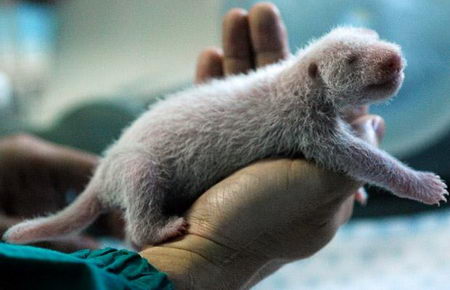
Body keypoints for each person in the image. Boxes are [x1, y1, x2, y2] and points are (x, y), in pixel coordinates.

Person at [0, 3, 384, 289]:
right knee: (136, 168)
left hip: (166, 167)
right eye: (350, 60)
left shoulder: (297, 102)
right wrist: (197, 258)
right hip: (141, 172)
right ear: (318, 72)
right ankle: (145, 226)